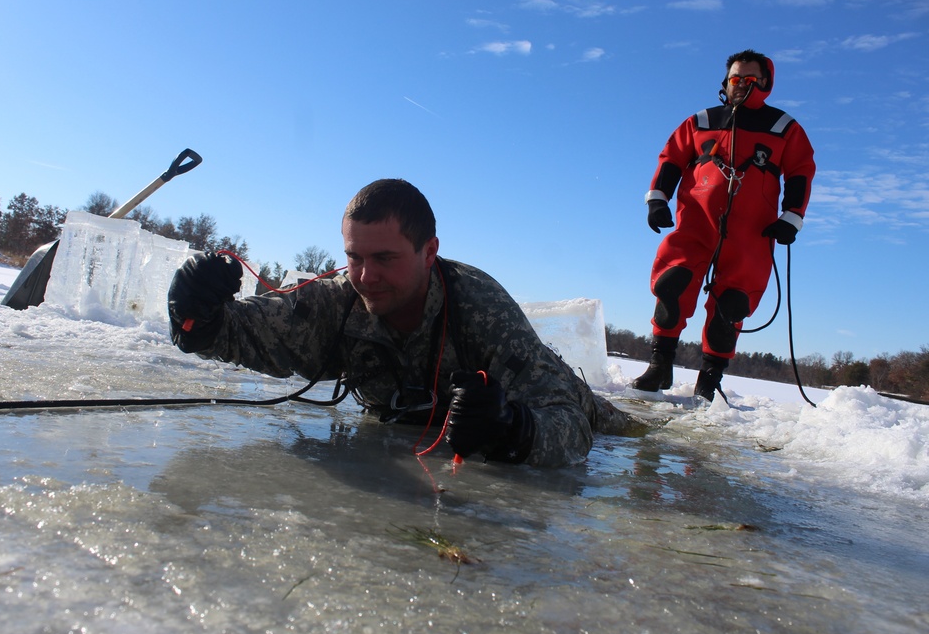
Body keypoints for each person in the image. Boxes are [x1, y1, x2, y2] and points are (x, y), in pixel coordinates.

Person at [168, 178, 633, 467]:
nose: (367, 277)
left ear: (429, 252)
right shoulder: (342, 301)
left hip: (571, 400)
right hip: (420, 425)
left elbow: (571, 426)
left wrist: (512, 428)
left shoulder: (480, 307)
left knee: (635, 434)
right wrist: (196, 316)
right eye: (355, 257)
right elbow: (253, 333)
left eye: (386, 258)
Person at [633, 49, 816, 402]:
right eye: (736, 79)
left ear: (766, 83)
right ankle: (660, 366)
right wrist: (658, 198)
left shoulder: (785, 128)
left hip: (752, 232)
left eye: (751, 80)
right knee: (672, 284)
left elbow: (801, 171)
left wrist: (792, 216)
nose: (742, 86)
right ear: (725, 82)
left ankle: (709, 380)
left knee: (732, 304)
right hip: (696, 221)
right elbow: (671, 157)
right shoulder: (700, 121)